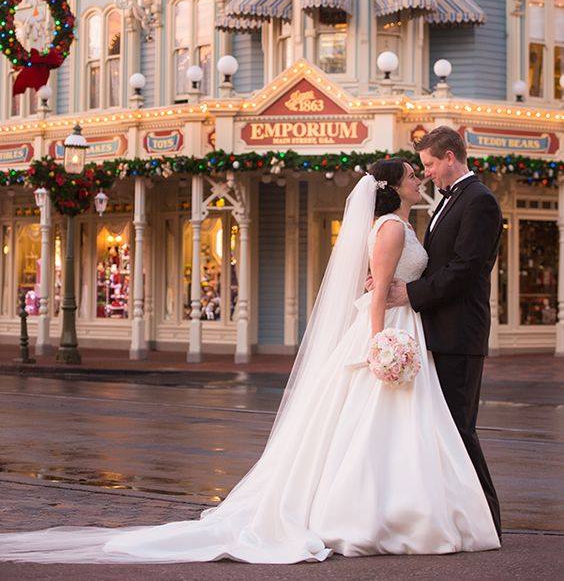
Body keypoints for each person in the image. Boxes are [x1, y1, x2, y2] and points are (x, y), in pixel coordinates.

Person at [0, 158, 500, 564]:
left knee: (403, 426)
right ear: (394, 188)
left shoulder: (401, 223)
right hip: (389, 332)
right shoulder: (390, 228)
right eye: (414, 174)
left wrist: (395, 305)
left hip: (407, 329)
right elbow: (373, 294)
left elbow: (387, 284)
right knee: (377, 425)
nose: (421, 177)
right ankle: (380, 513)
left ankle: (406, 507)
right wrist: (377, 343)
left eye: (423, 169)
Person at [385, 126, 502, 540]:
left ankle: (487, 521)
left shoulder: (480, 201)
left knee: (459, 429)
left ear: (450, 157)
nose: (427, 173)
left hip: (460, 334)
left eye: (431, 164)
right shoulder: (447, 202)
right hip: (437, 331)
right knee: (444, 430)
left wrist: (410, 293)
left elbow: (466, 269)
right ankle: (455, 517)